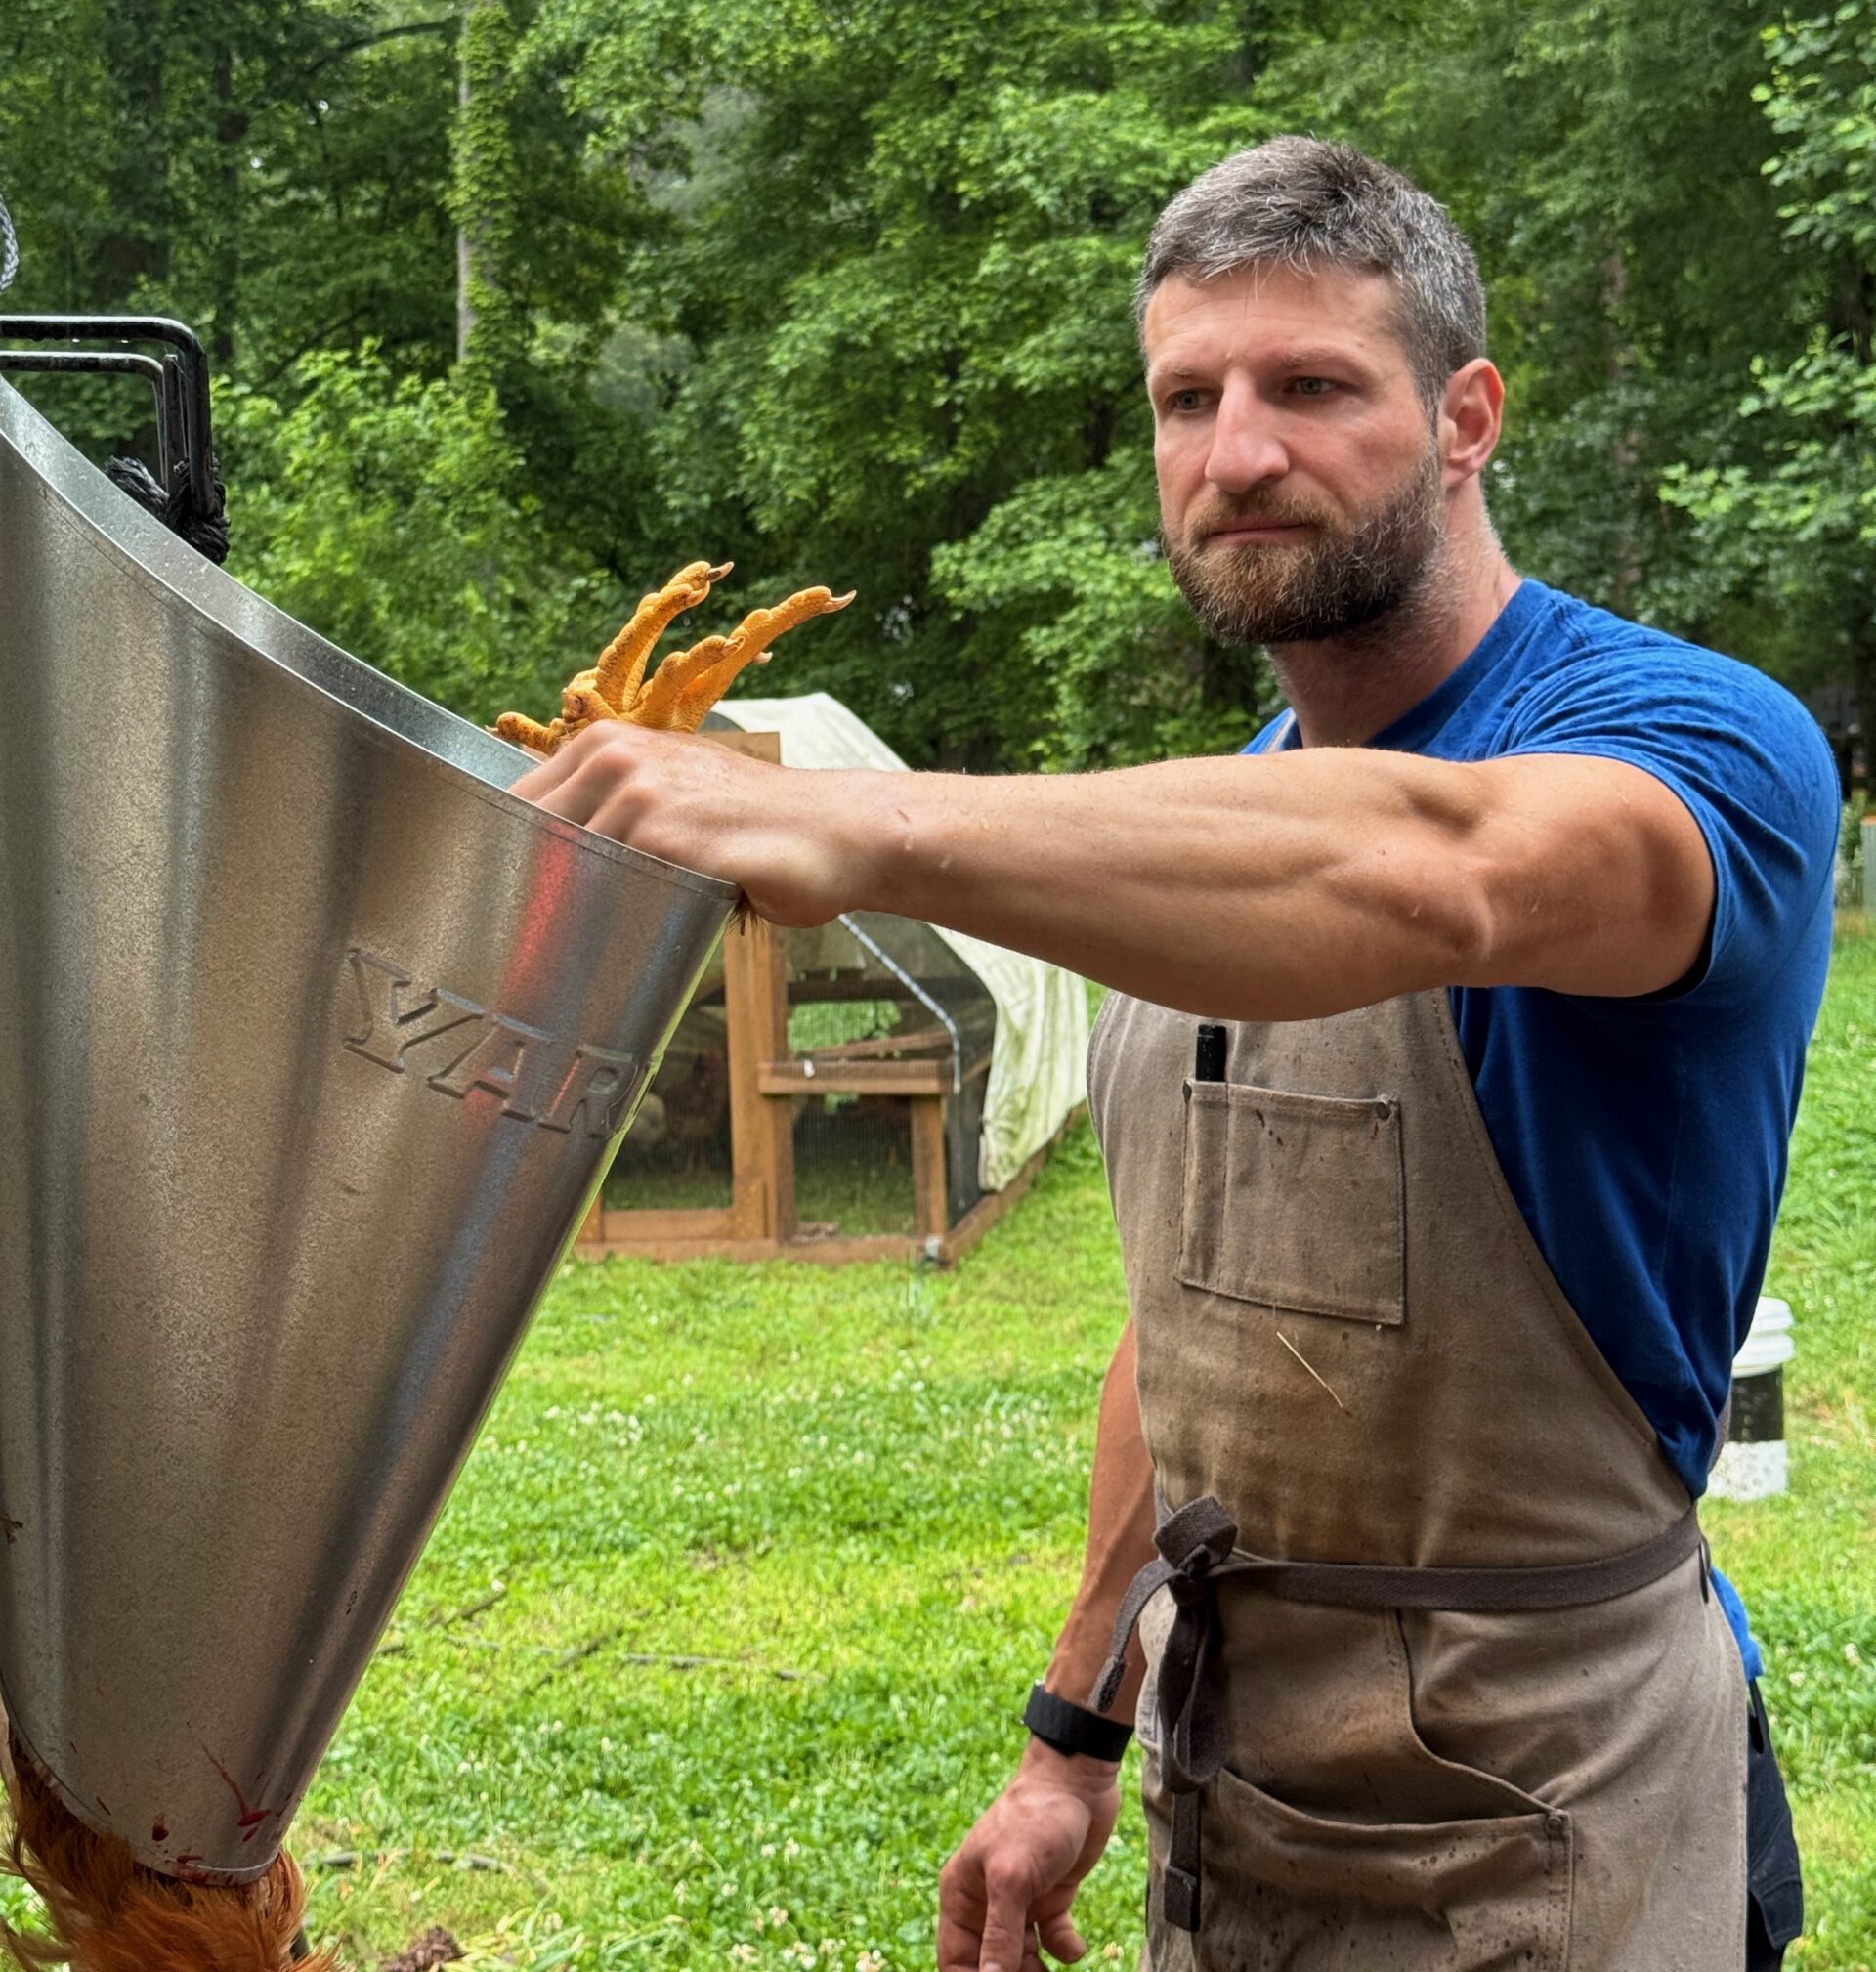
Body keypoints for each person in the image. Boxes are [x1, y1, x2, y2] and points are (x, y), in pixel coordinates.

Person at [515, 137, 1829, 1970]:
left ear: (1466, 417)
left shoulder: (1703, 745)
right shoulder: (1214, 832)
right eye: (1186, 399)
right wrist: (1073, 1735)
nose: (1237, 456)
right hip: (1238, 1804)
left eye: (1312, 387)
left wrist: (873, 825)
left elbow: (1447, 871)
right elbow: (1203, 1319)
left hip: (1570, 1803)